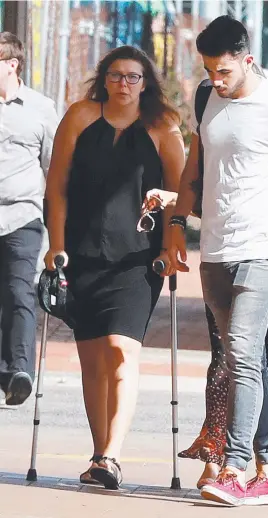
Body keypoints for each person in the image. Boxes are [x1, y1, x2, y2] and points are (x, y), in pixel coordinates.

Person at [168, 16, 268, 506]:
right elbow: (196, 164)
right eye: (210, 70)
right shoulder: (208, 99)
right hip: (215, 248)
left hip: (263, 249)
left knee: (242, 351)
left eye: (224, 71)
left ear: (247, 59)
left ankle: (234, 467)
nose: (216, 79)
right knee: (242, 361)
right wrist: (176, 226)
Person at [44, 45, 184, 489]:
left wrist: (170, 247)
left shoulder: (163, 127)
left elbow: (180, 198)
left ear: (146, 83)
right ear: (104, 78)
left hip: (137, 258)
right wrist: (56, 244)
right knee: (92, 360)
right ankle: (98, 452)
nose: (125, 84)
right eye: (117, 76)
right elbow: (58, 187)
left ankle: (111, 455)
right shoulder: (80, 117)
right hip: (82, 254)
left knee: (121, 351)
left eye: (134, 77)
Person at [0, 32, 59, 406]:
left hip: (22, 215)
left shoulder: (40, 108)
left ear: (11, 64)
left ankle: (17, 371)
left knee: (19, 291)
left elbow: (55, 170)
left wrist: (59, 231)